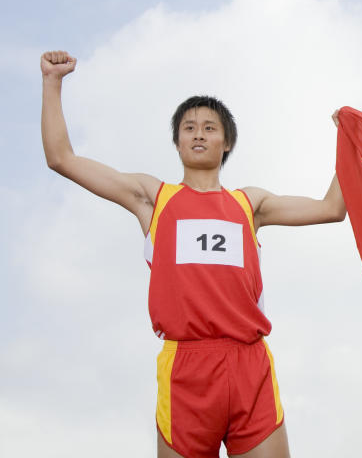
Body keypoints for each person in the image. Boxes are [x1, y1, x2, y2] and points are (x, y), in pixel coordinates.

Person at [40, 51, 346, 458]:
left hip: (248, 364)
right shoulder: (153, 198)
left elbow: (331, 209)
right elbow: (62, 158)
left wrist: (350, 139)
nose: (198, 134)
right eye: (188, 127)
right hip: (185, 368)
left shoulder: (249, 204)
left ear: (227, 141)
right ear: (178, 141)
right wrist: (52, 83)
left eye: (209, 127)